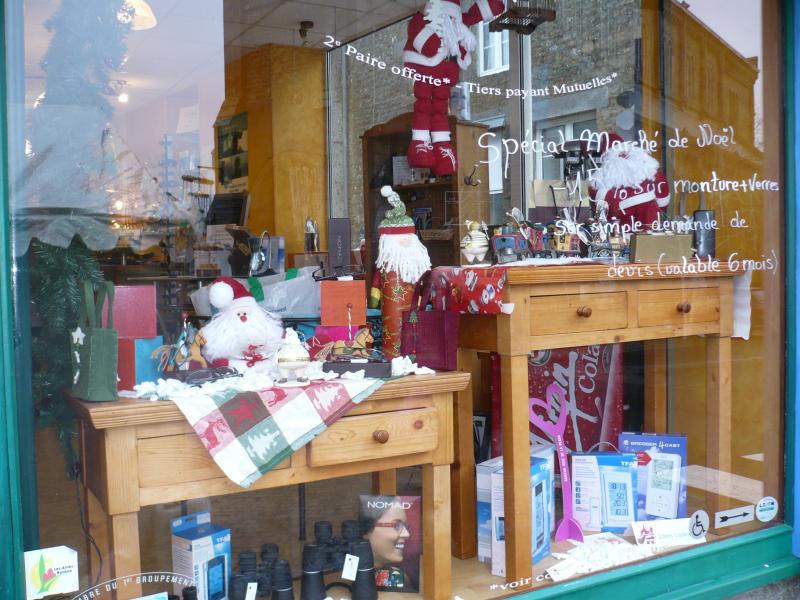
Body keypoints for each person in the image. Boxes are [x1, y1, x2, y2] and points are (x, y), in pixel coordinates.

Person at [360, 497, 413, 590]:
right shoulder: (349, 575)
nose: (407, 534)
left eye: (406, 527)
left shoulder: (395, 576)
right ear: (366, 531)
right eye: (397, 525)